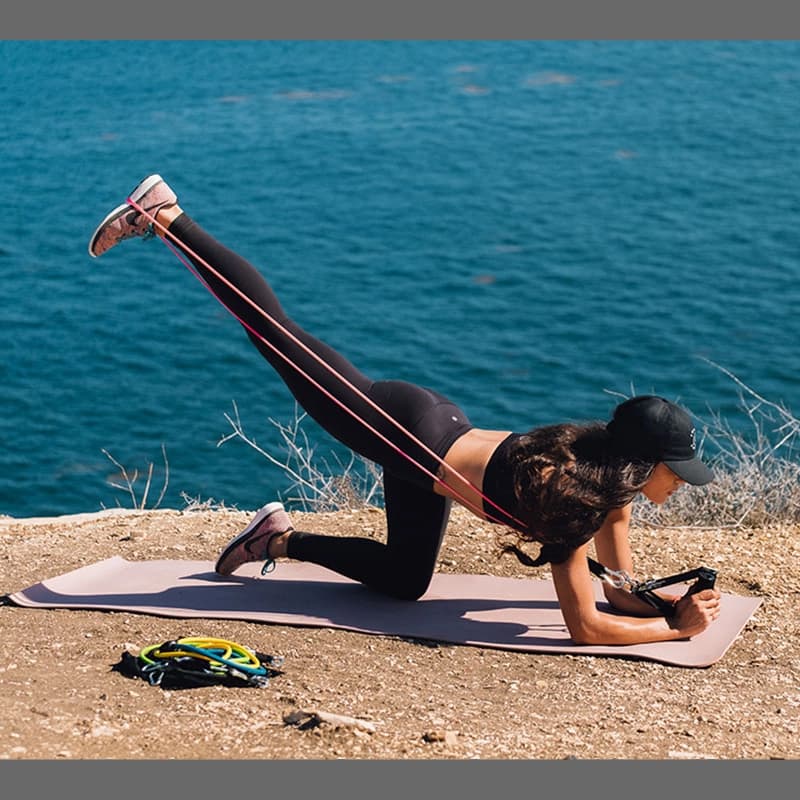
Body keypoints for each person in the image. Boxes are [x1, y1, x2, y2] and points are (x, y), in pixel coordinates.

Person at [89, 174, 722, 647]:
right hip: (402, 432)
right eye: (677, 467)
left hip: (433, 445)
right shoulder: (575, 501)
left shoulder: (612, 481)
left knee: (405, 581)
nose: (680, 478)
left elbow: (612, 586)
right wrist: (676, 633)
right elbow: (584, 625)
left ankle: (274, 538)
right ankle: (166, 214)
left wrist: (665, 603)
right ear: (644, 461)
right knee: (274, 333)